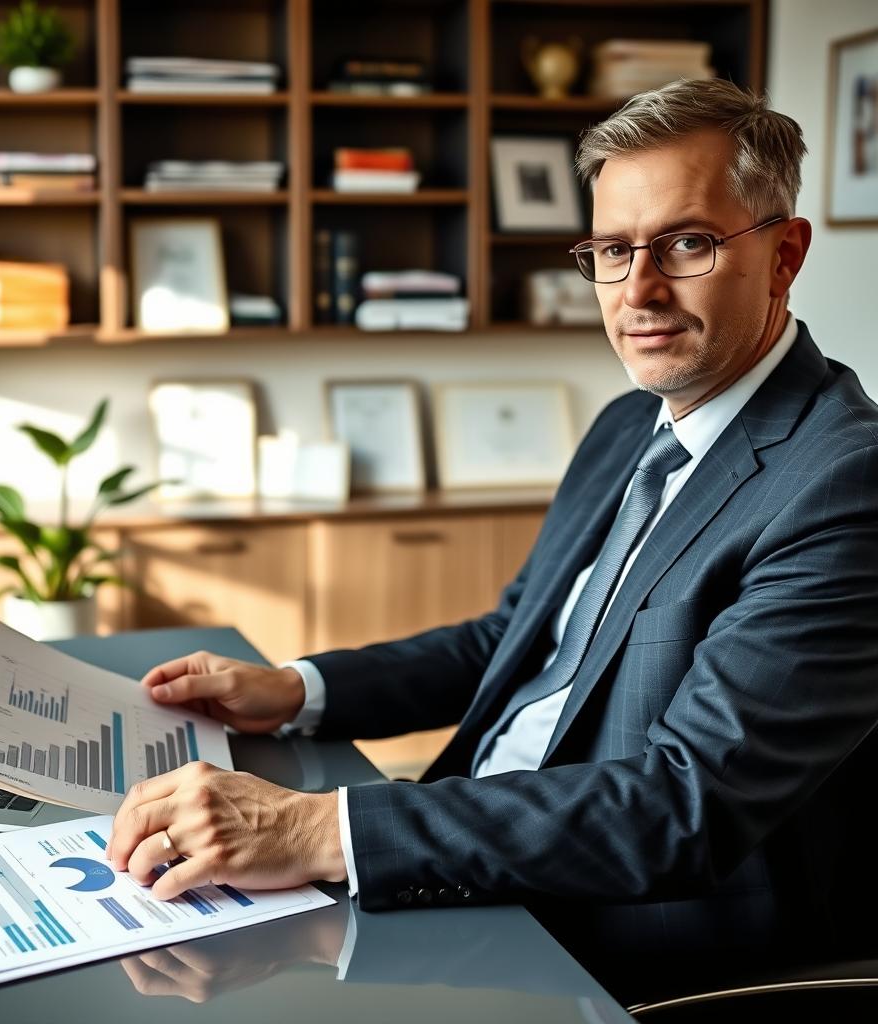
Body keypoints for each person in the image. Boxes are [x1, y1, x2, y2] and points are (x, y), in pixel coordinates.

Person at [106, 79, 878, 969]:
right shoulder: (632, 422)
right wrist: (297, 688)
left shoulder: (845, 482)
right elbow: (514, 639)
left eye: (688, 244)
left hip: (625, 939)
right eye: (612, 251)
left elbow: (682, 807)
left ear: (784, 256)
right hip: (474, 846)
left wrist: (319, 826)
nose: (639, 291)